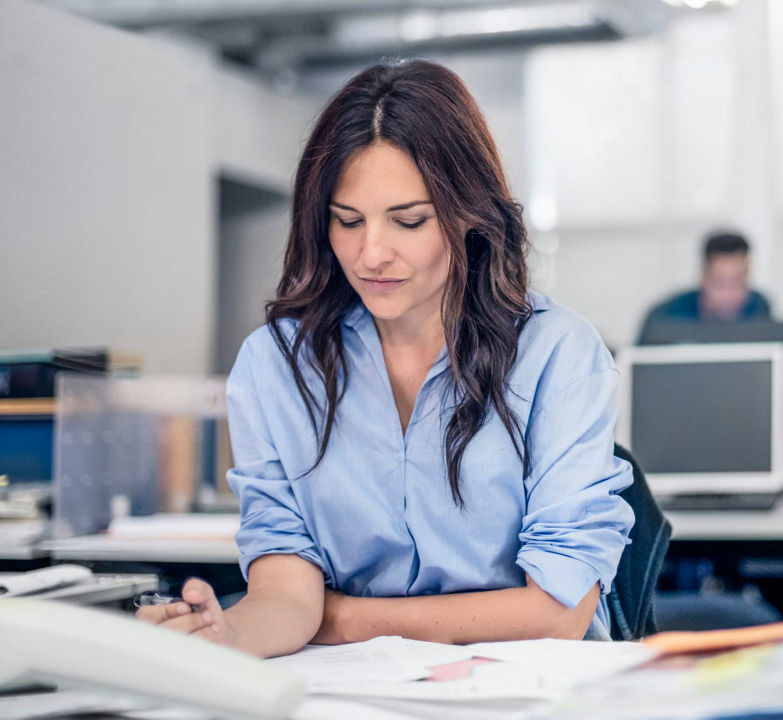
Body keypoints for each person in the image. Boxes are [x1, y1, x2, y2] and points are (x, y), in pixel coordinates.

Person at [136, 61, 634, 657]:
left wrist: (343, 617)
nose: (371, 253)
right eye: (348, 221)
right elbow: (289, 593)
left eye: (409, 220)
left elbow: (557, 612)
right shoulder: (276, 366)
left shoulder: (559, 355)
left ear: (469, 214)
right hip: (356, 693)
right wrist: (229, 632)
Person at [636, 230, 772, 343]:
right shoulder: (664, 317)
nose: (729, 295)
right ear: (703, 278)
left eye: (738, 283)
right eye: (719, 284)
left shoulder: (759, 308)